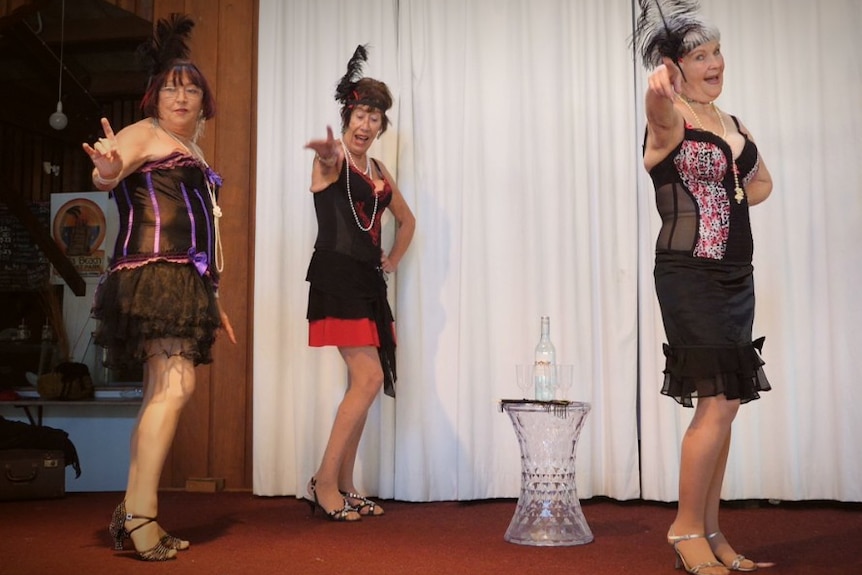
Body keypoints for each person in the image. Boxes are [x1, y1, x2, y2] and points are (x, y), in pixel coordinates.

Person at [81, 14, 235, 561]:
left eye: (191, 89)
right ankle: (141, 516)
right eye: (172, 88)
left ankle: (134, 511)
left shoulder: (192, 149)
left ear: (203, 101)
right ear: (155, 96)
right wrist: (105, 168)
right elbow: (109, 170)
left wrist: (212, 296)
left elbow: (207, 228)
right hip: (153, 270)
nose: (182, 96)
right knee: (176, 389)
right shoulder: (144, 134)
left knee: (158, 394)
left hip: (186, 279)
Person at [634, 1, 774, 573]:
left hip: (736, 274)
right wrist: (656, 89)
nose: (715, 64)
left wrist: (729, 186)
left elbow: (761, 186)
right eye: (700, 56)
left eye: (716, 52)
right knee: (714, 403)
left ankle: (712, 529)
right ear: (676, 67)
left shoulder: (732, 124)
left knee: (730, 402)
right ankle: (684, 528)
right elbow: (656, 110)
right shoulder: (671, 119)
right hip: (689, 274)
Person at [302, 45, 415, 522]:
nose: (367, 125)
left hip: (369, 283)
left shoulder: (380, 171)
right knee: (368, 378)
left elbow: (407, 221)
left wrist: (391, 258)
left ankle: (345, 484)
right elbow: (327, 167)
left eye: (376, 117)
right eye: (361, 114)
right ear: (347, 115)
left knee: (364, 381)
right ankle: (322, 483)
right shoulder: (333, 162)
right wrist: (329, 154)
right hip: (336, 276)